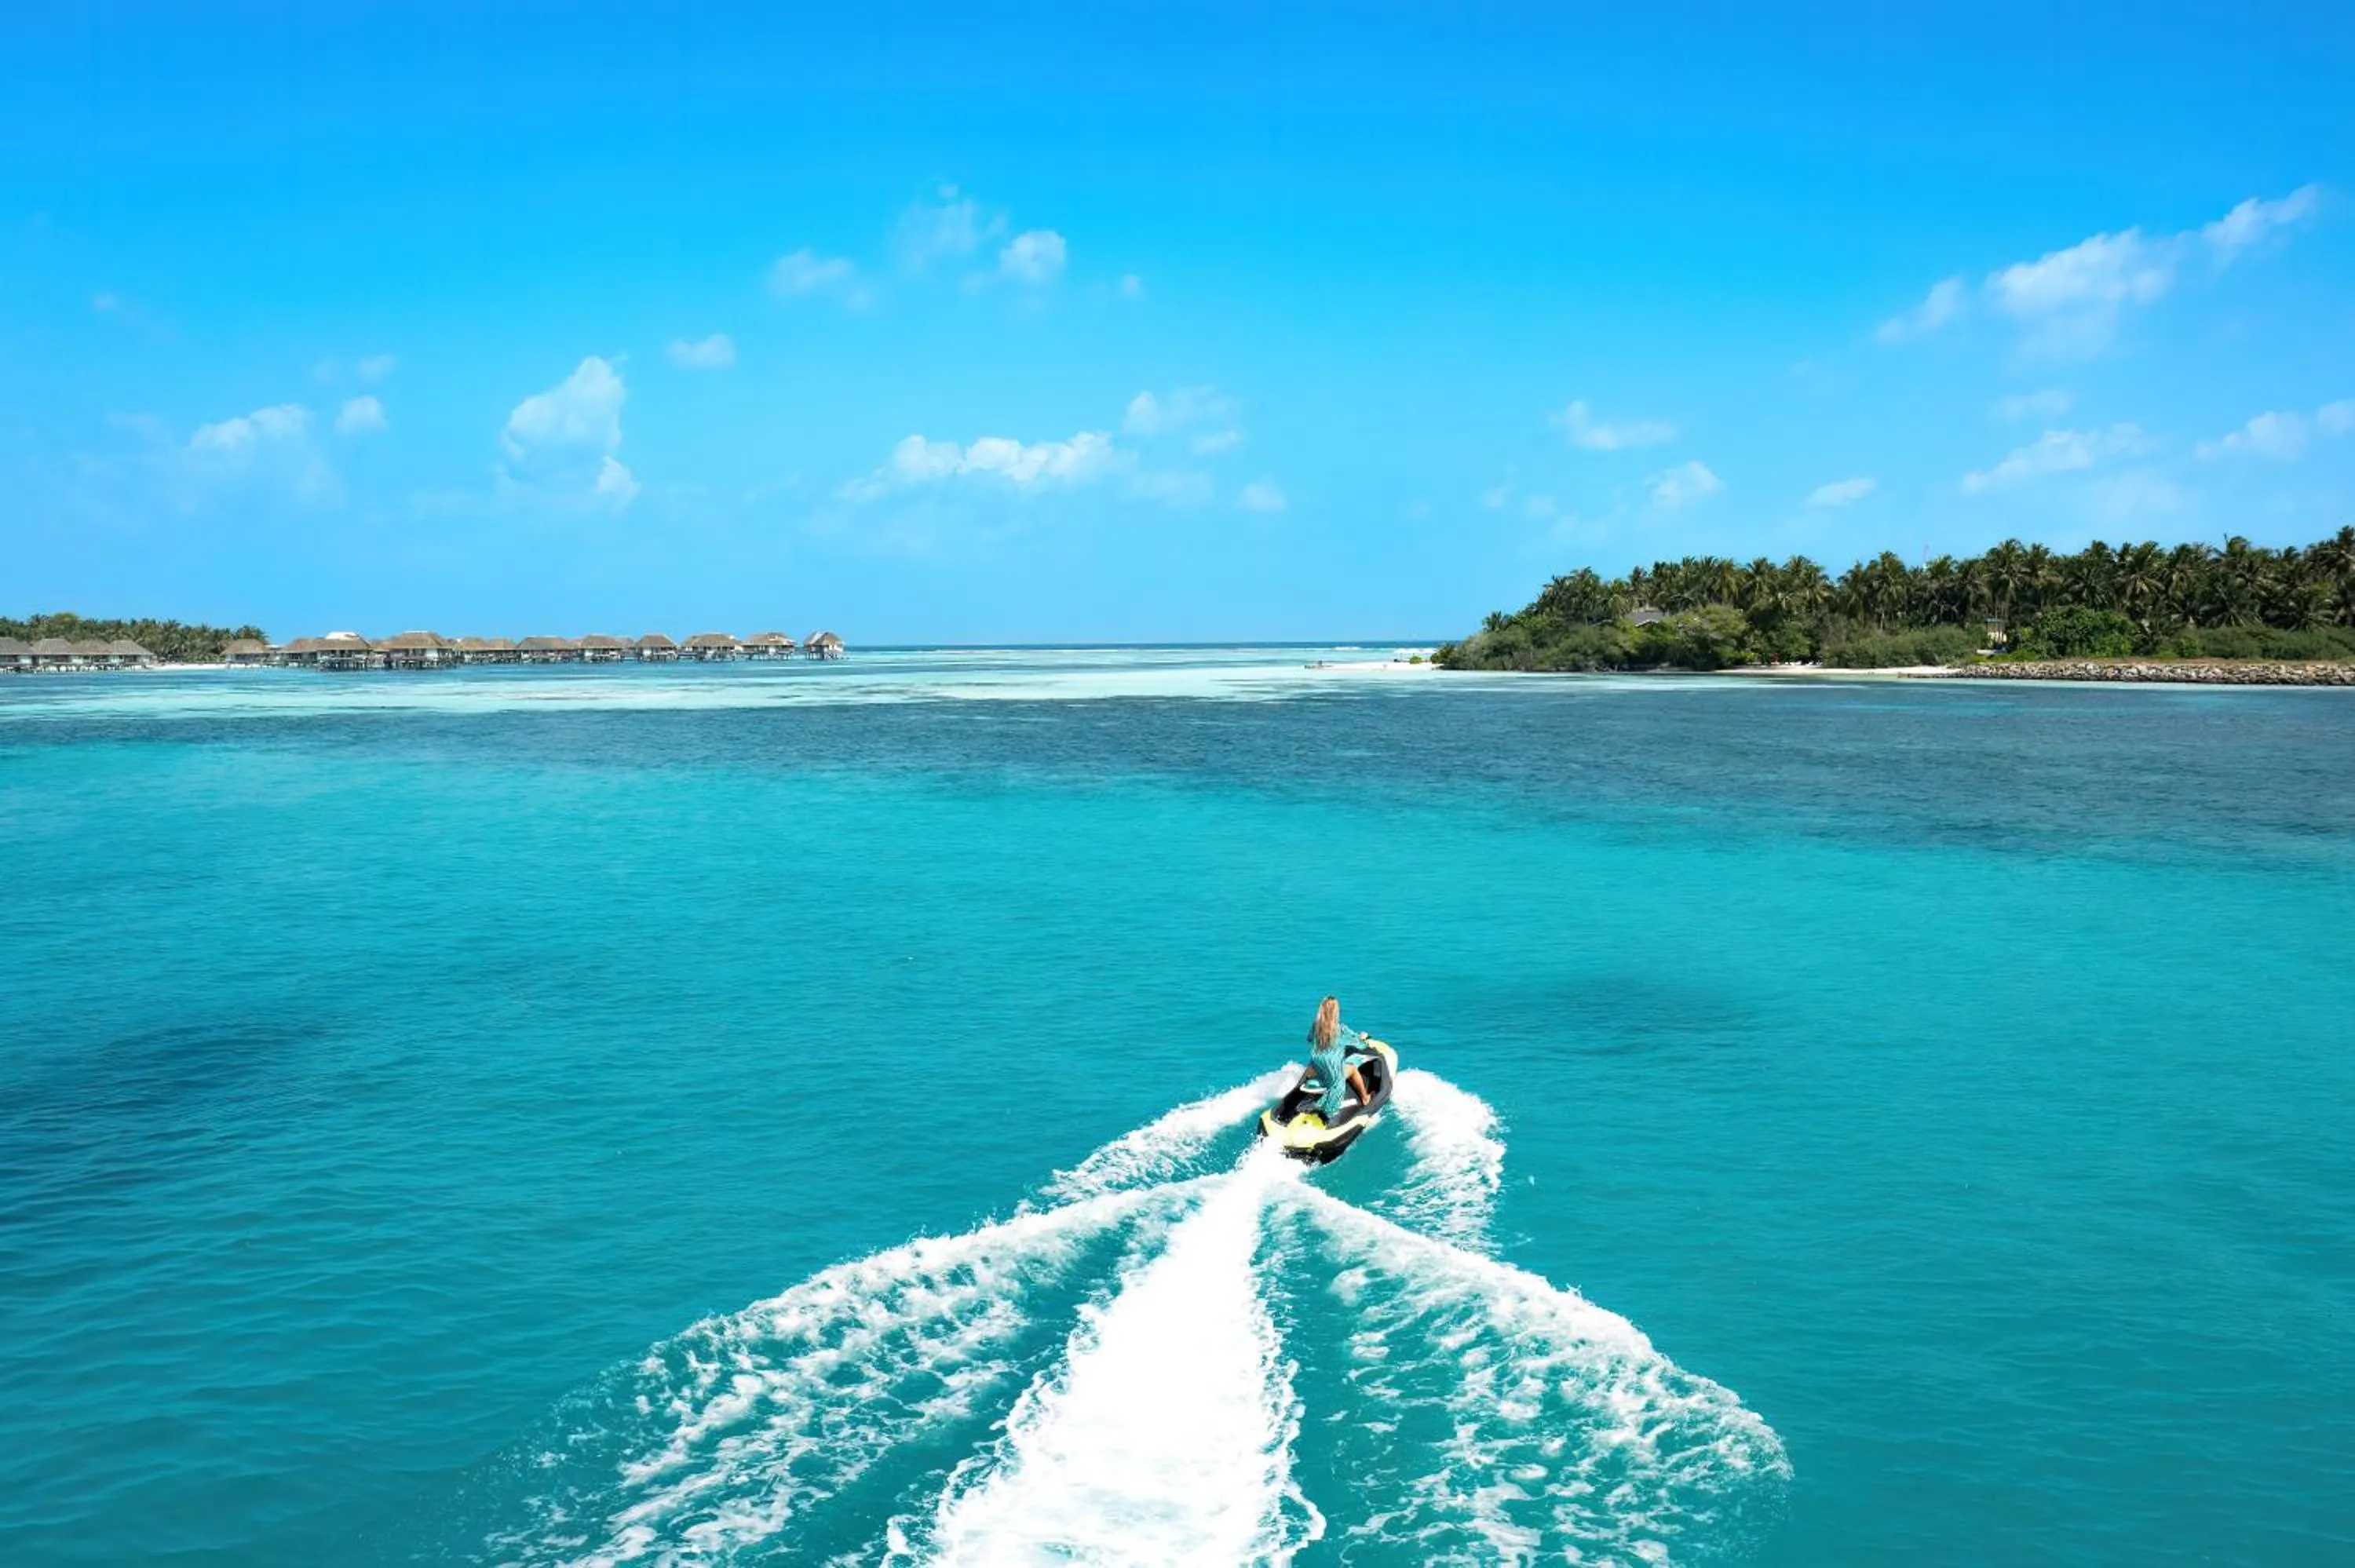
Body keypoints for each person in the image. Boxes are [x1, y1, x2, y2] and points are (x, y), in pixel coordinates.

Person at [1298, 995, 1371, 1121]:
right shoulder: (1341, 1029)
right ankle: (1365, 1098)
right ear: (1336, 1012)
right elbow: (1360, 1044)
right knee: (1353, 1068)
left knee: (1311, 1067)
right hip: (1333, 1071)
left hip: (1317, 1068)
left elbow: (1309, 1039)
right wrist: (1363, 1037)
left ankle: (1297, 1094)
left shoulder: (1316, 1026)